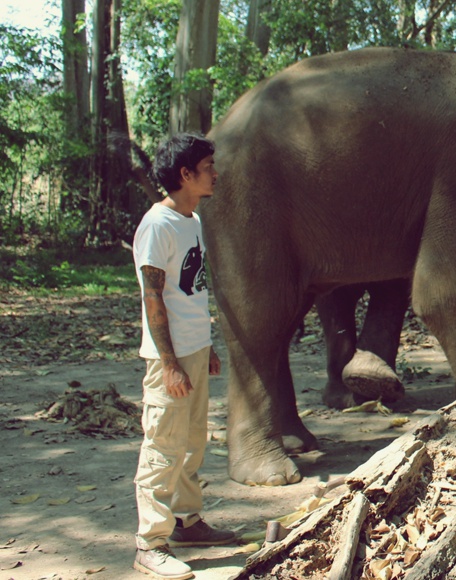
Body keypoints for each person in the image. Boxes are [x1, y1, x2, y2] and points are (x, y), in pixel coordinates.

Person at [132, 133, 236, 580]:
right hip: (168, 360)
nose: (216, 173)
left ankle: (186, 522)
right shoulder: (157, 225)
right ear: (185, 174)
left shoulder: (191, 220)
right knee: (162, 447)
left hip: (193, 351)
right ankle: (149, 543)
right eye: (209, 166)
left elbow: (188, 291)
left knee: (192, 444)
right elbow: (153, 297)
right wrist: (170, 362)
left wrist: (204, 345)